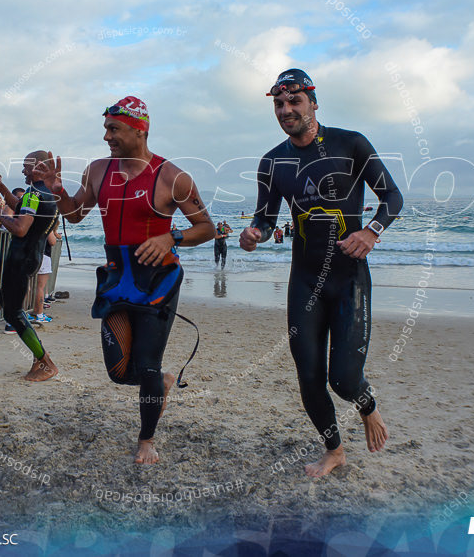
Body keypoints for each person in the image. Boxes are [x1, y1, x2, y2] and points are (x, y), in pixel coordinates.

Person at [239, 68, 403, 477]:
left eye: (294, 101)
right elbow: (265, 216)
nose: (286, 110)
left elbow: (393, 197)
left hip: (348, 279)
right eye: (279, 103)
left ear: (313, 102)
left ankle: (367, 406)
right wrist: (254, 233)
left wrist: (371, 231)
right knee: (309, 376)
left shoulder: (351, 144)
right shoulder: (272, 161)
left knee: (345, 380)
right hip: (305, 281)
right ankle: (334, 450)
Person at [35, 96, 214, 464]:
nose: (106, 137)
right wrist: (59, 192)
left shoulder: (172, 177)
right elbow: (77, 215)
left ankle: (146, 439)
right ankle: (160, 382)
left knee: (146, 363)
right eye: (105, 129)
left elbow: (207, 229)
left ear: (139, 129)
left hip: (157, 279)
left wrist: (171, 237)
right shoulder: (98, 170)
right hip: (117, 278)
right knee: (119, 372)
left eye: (113, 129)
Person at [0, 152, 59, 381]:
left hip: (20, 257)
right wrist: (1, 186)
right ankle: (40, 358)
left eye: (27, 167)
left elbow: (20, 228)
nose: (24, 171)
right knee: (10, 307)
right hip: (32, 257)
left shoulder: (34, 193)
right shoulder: (47, 194)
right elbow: (22, 207)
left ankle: (45, 362)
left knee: (13, 313)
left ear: (39, 168)